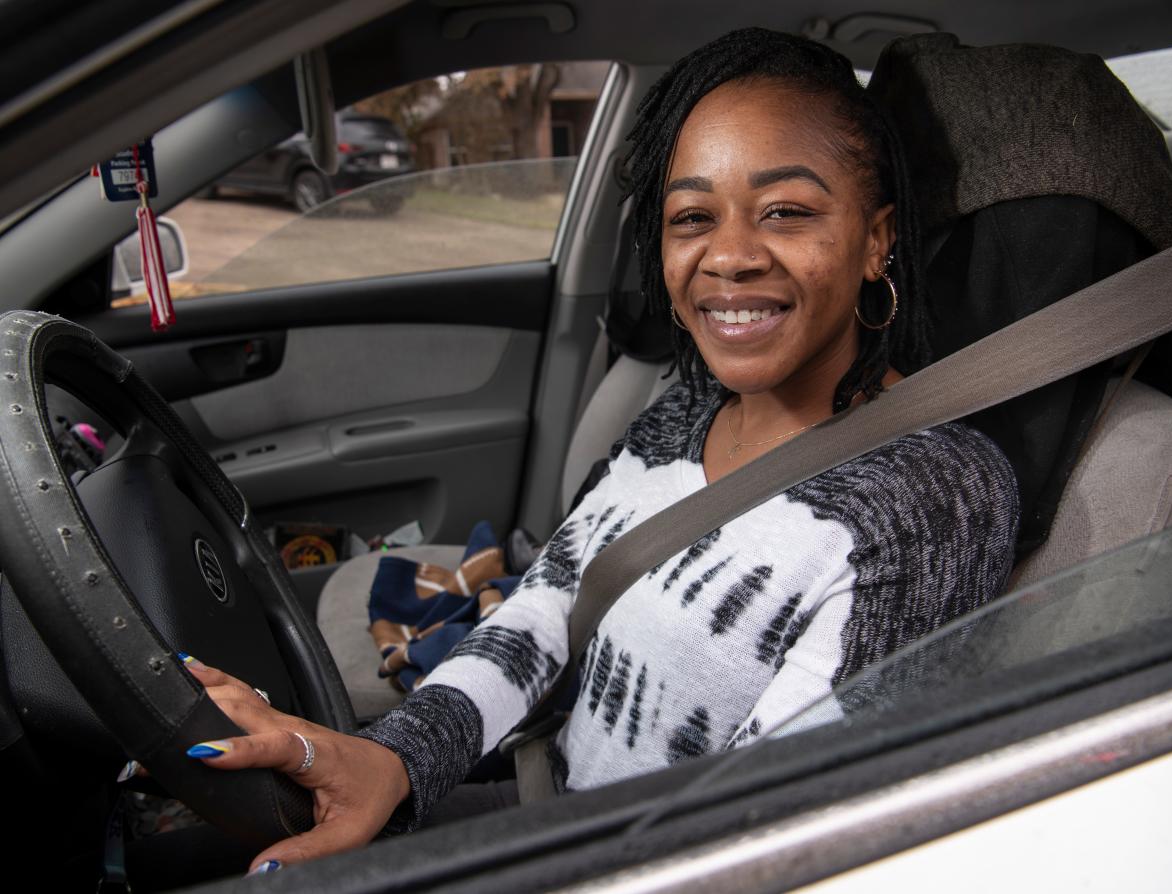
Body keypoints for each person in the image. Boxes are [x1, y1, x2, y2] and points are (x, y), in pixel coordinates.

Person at [180, 27, 1019, 873]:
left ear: (877, 240)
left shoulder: (931, 496)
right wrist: (394, 758)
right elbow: (546, 608)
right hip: (552, 805)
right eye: (692, 217)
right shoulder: (690, 405)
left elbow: (766, 839)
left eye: (787, 212)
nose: (728, 256)